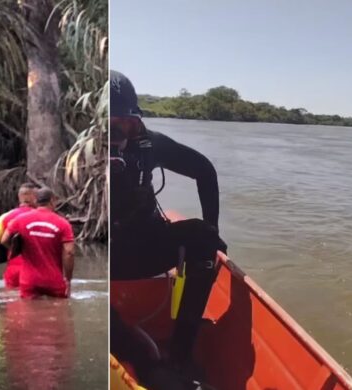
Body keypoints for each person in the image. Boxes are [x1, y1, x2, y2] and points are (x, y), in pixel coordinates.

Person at [109, 70, 228, 383]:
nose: (117, 136)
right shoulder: (69, 157)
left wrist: (213, 230)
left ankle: (181, 355)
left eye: (126, 124)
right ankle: (132, 353)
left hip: (146, 245)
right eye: (107, 127)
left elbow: (204, 170)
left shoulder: (151, 147)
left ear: (137, 122)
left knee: (203, 238)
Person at [1, 187, 75, 299]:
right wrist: (68, 279)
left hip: (28, 280)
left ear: (36, 201)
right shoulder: (63, 223)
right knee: (59, 313)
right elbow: (69, 252)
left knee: (28, 314)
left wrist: (18, 251)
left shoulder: (20, 219)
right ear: (52, 201)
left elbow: (4, 240)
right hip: (54, 281)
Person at [0, 182, 37, 288]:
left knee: (11, 300)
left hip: (13, 269)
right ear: (35, 198)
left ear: (20, 197)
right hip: (36, 270)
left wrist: (14, 250)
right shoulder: (42, 217)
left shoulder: (4, 217)